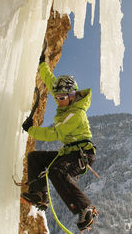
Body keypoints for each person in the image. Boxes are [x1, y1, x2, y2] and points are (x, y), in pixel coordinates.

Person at [21, 45, 98, 232]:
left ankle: (85, 208)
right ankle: (39, 194)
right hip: (69, 152)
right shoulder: (64, 99)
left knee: (56, 171)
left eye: (63, 97)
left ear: (72, 96)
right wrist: (42, 64)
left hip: (82, 155)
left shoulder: (76, 114)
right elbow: (49, 81)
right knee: (35, 158)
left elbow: (55, 133)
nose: (59, 100)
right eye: (57, 97)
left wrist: (32, 129)